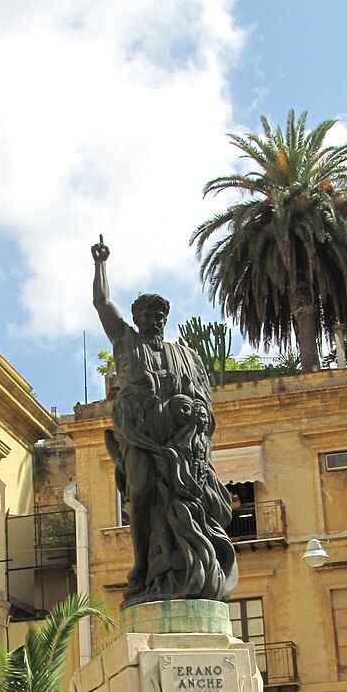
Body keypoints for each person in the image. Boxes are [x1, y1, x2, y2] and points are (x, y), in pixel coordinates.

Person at [92, 237, 236, 604]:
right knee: (140, 492)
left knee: (189, 502)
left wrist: (196, 419)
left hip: (180, 445)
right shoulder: (126, 342)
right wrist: (101, 264)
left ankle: (186, 565)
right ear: (137, 319)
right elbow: (102, 304)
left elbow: (204, 399)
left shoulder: (185, 355)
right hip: (140, 436)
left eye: (160, 317)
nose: (155, 322)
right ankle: (142, 568)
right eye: (149, 316)